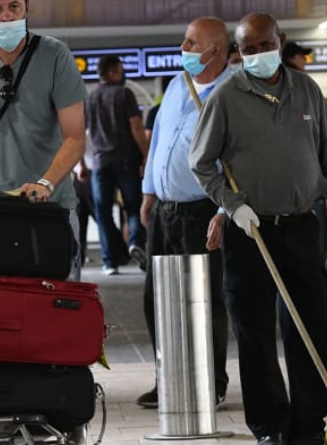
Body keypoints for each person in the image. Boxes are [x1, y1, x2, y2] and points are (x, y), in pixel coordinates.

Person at [189, 12, 327, 445]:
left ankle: (308, 426)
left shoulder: (306, 90)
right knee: (254, 332)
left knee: (311, 326)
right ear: (239, 52)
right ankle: (270, 427)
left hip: (300, 226)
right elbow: (200, 164)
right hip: (250, 231)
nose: (258, 54)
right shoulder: (226, 97)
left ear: (282, 40)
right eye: (249, 49)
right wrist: (233, 206)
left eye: (265, 45)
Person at [0, 0, 87, 279]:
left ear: (27, 8)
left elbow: (75, 136)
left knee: (59, 295)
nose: (7, 16)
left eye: (14, 6)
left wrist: (45, 183)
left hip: (52, 204)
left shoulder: (55, 55)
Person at [136, 16, 230, 410]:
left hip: (204, 212)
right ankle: (168, 379)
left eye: (192, 42)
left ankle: (211, 382)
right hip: (165, 211)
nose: (184, 48)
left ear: (216, 51)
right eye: (185, 41)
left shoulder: (233, 92)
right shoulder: (177, 85)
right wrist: (148, 191)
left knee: (205, 303)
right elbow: (159, 139)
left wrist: (224, 211)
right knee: (158, 300)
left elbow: (240, 159)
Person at [85, 55, 148, 275]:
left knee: (103, 212)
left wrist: (82, 165)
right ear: (112, 73)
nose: (123, 75)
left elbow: (83, 133)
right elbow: (136, 126)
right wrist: (146, 155)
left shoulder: (90, 98)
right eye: (120, 71)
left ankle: (110, 261)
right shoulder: (124, 93)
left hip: (99, 162)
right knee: (133, 206)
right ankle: (135, 242)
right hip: (126, 159)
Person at [282, 41, 327, 261]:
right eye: (303, 57)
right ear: (292, 58)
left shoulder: (298, 84)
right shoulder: (299, 84)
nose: (305, 61)